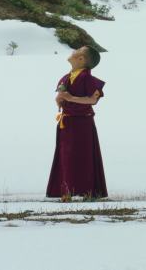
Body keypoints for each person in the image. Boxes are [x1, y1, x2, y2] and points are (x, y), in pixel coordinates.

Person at [46, 45, 108, 201]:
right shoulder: (66, 77)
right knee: (65, 156)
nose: (72, 52)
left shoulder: (87, 78)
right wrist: (59, 100)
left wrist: (70, 98)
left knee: (83, 156)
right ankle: (65, 191)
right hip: (66, 122)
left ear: (81, 59)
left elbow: (93, 99)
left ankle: (87, 192)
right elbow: (61, 96)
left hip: (83, 123)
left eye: (77, 51)